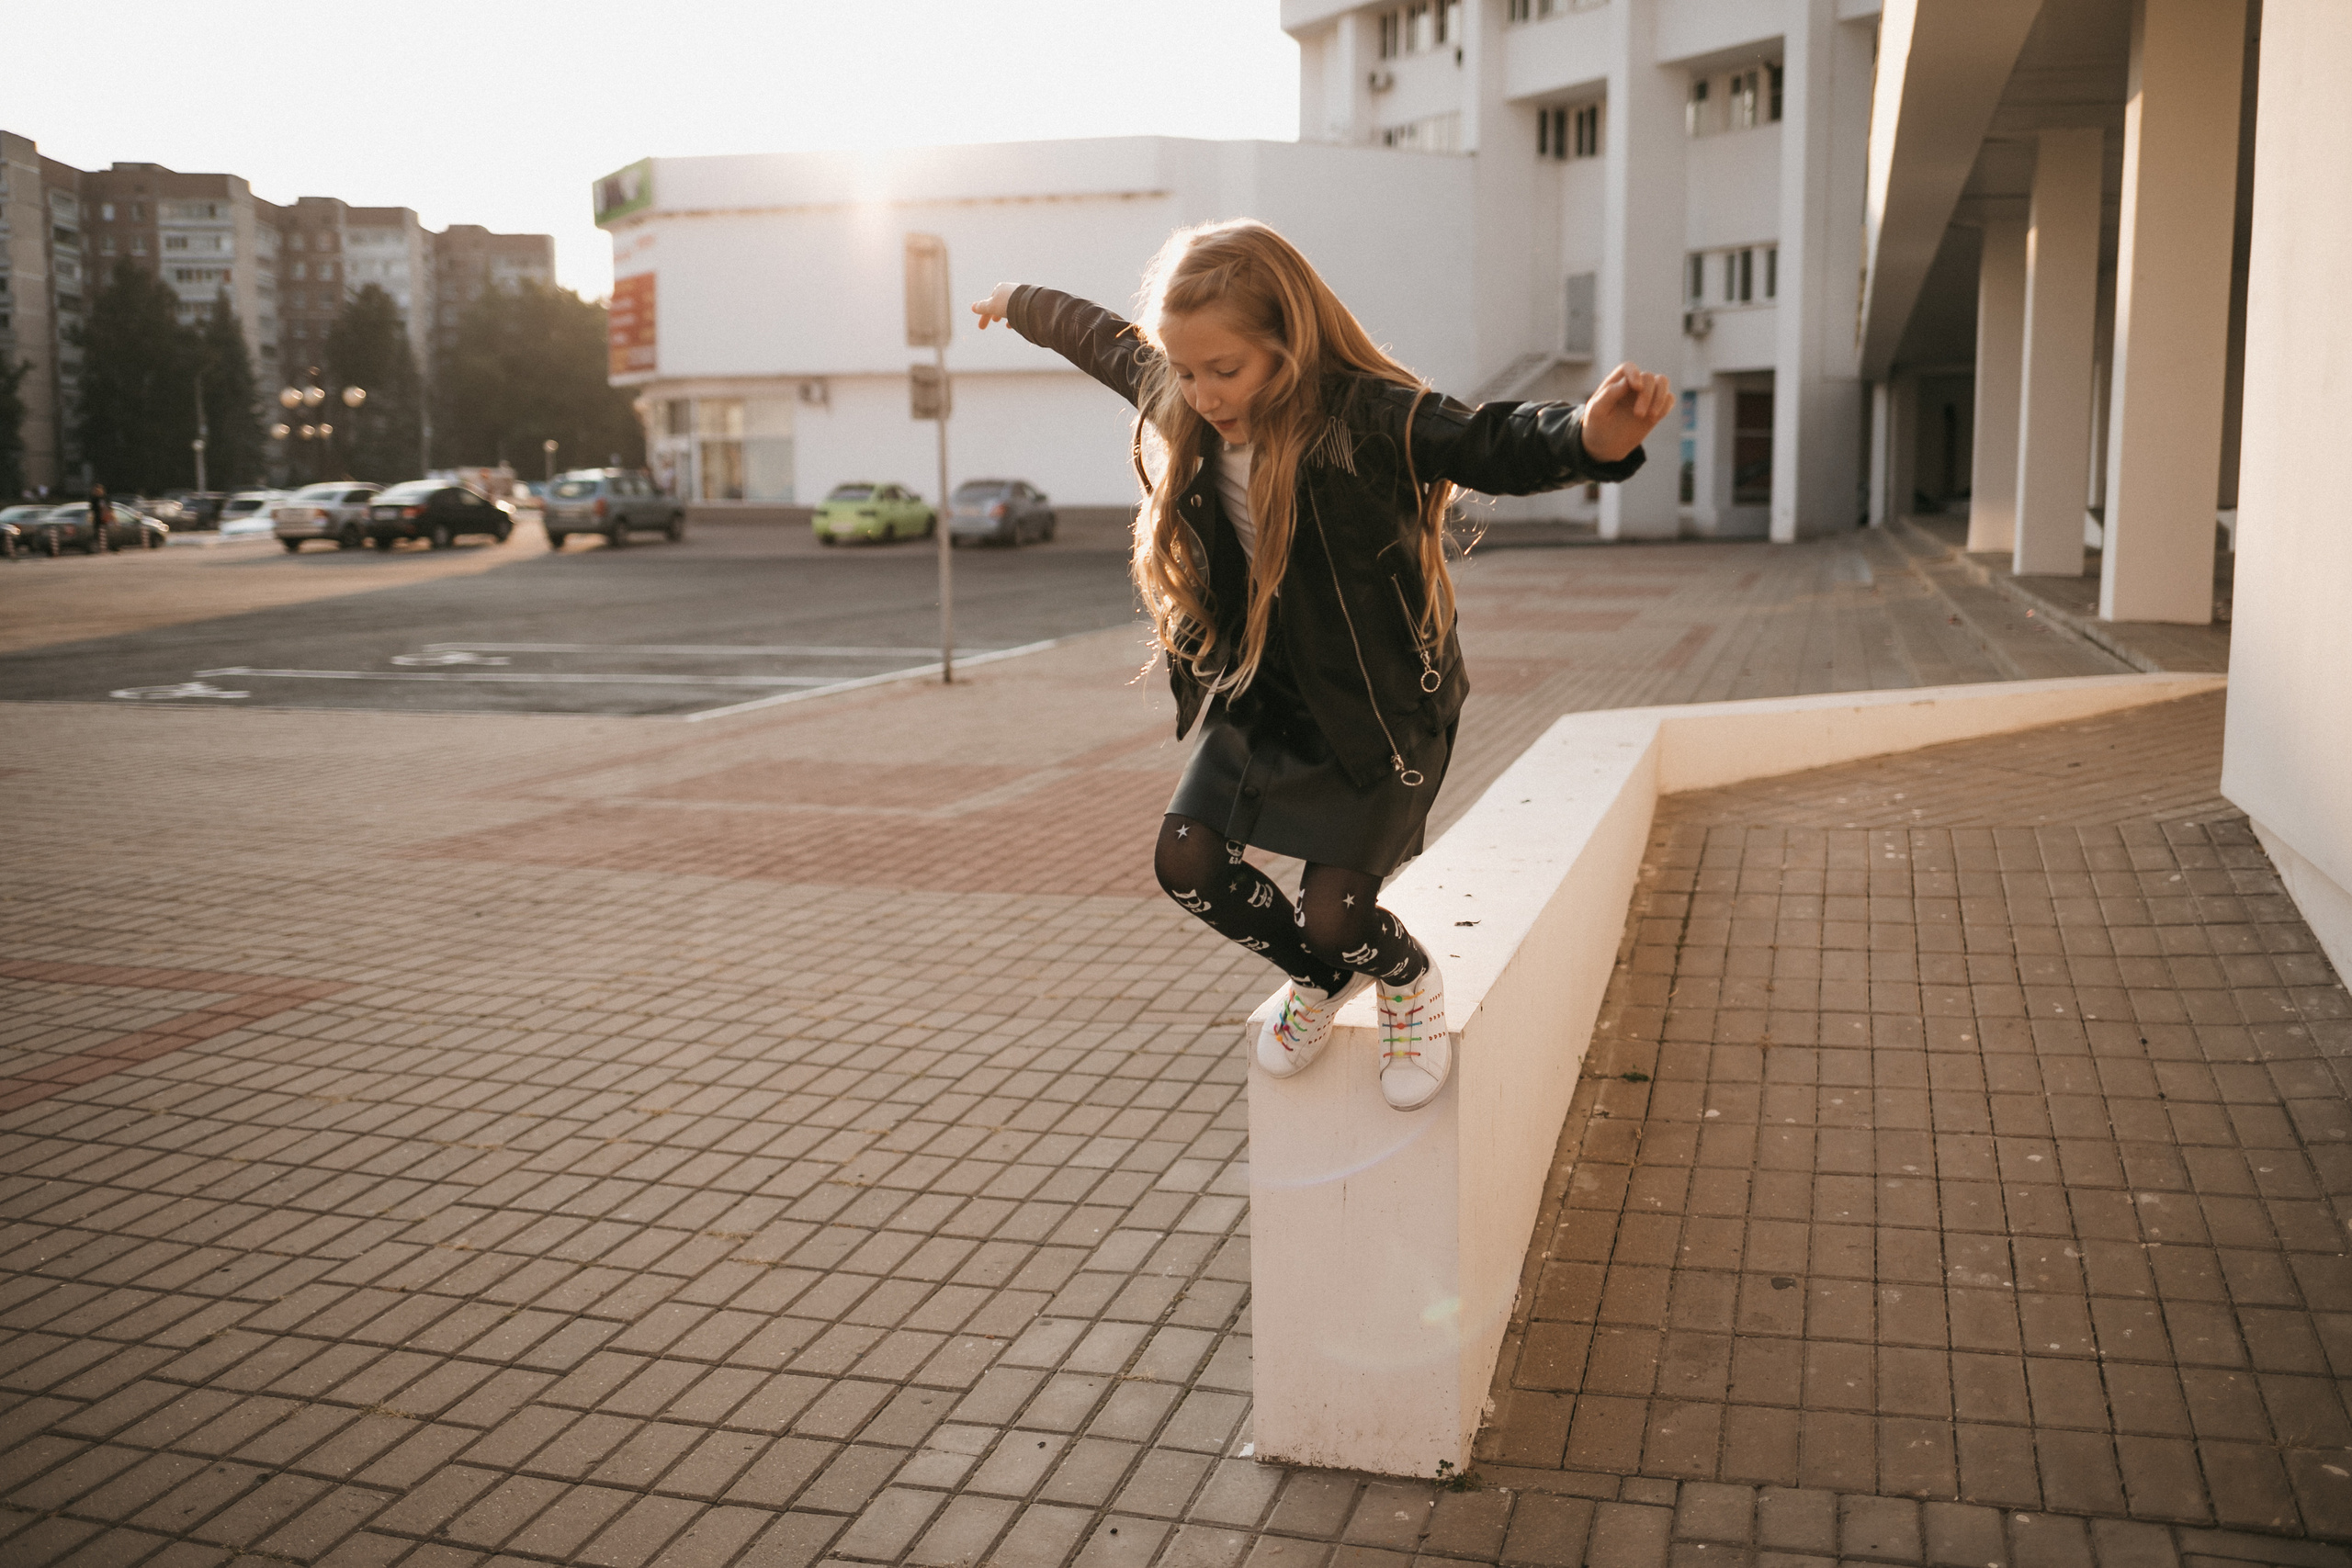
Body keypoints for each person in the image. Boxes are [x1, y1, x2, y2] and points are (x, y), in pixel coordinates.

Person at [971, 220, 1671, 1111]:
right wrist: (1015, 303)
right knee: (1187, 862)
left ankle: (1406, 982)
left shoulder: (1366, 414)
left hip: (1376, 705)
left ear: (1286, 345)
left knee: (1337, 913)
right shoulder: (1187, 397)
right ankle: (1317, 977)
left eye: (1225, 370)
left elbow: (1487, 442)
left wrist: (1590, 437)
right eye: (1186, 371)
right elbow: (1103, 339)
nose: (1201, 392)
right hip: (1263, 689)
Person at [88, 482, 116, 553]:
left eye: (99, 490)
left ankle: (110, 548)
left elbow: (110, 508)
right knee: (97, 534)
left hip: (106, 519)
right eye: (96, 490)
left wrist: (113, 518)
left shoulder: (106, 498)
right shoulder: (93, 499)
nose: (97, 491)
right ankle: (99, 549)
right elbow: (92, 510)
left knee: (107, 534)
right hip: (97, 519)